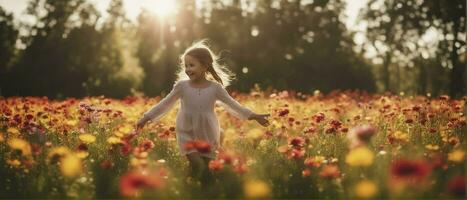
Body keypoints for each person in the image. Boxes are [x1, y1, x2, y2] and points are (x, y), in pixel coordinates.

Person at [135, 39, 270, 189]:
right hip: (186, 132)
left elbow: (233, 105)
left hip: (208, 132)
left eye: (191, 65)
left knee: (207, 168)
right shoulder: (182, 87)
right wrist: (146, 117)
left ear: (205, 66)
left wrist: (254, 115)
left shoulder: (215, 88)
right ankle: (189, 187)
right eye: (186, 65)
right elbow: (164, 103)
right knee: (198, 164)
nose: (187, 69)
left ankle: (196, 188)